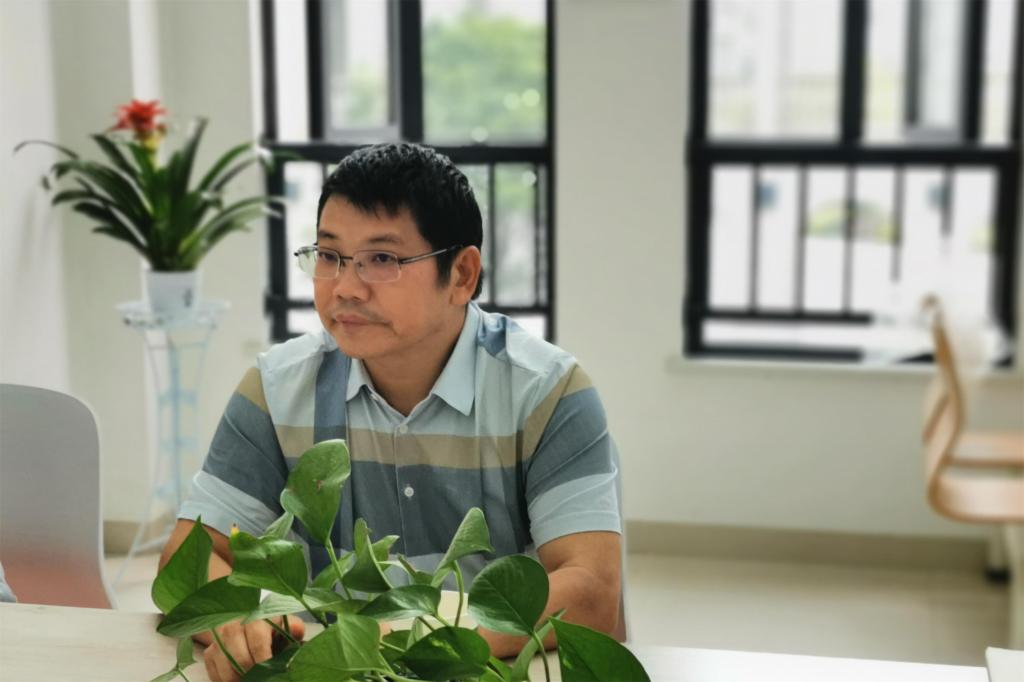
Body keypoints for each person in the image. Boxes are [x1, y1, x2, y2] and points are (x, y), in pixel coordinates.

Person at [160, 143, 623, 681]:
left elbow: (592, 592)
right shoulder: (275, 388)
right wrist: (242, 621)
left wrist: (410, 642)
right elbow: (186, 558)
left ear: (462, 275)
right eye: (329, 256)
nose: (345, 288)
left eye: (382, 260)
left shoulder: (547, 393)